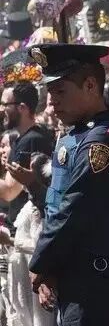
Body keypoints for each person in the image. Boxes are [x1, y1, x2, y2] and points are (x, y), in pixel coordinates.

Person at [25, 43, 109, 326]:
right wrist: (52, 268)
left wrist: (41, 263)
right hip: (76, 278)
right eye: (50, 93)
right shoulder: (79, 135)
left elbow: (75, 208)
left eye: (60, 91)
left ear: (90, 85)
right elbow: (57, 204)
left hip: (97, 283)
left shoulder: (102, 140)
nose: (52, 102)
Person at [2, 153, 58, 326]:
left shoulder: (42, 210)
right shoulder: (30, 205)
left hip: (38, 278)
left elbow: (39, 244)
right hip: (22, 277)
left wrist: (9, 241)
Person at [0, 82, 53, 233]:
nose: (1, 109)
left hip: (29, 233)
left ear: (22, 108)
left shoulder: (32, 140)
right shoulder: (24, 139)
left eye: (5, 104)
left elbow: (9, 191)